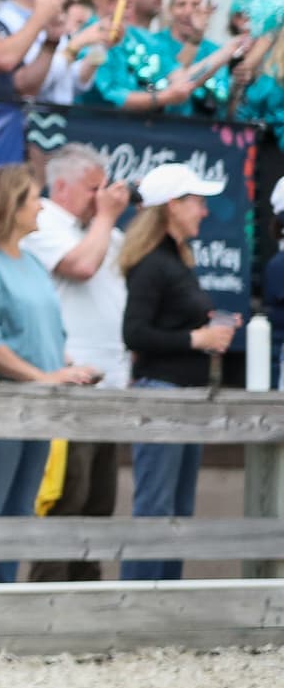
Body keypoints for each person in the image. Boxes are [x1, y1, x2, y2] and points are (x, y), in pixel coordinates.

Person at [0, 164, 103, 582]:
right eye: (34, 198)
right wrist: (44, 377)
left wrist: (69, 367)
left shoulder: (35, 264)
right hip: (1, 406)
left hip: (41, 407)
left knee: (20, 510)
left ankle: (2, 601)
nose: (41, 206)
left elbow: (49, 333)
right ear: (10, 206)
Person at [119, 163, 238, 580]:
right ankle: (140, 600)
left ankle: (166, 598)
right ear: (173, 205)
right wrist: (198, 338)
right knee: (156, 507)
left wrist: (209, 329)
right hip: (163, 393)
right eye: (197, 202)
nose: (204, 211)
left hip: (182, 393)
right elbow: (134, 332)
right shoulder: (154, 263)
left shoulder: (174, 259)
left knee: (177, 509)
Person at [20, 144, 133, 581]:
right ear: (61, 186)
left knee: (100, 502)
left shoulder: (105, 232)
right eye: (93, 188)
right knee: (66, 496)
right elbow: (80, 265)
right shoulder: (43, 221)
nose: (102, 197)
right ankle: (47, 595)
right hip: (67, 385)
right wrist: (106, 218)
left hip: (110, 387)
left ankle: (88, 597)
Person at [90, 0, 242, 115]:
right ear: (170, 8)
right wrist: (196, 39)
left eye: (196, 5)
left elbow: (225, 106)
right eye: (181, 4)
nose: (188, 12)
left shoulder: (214, 50)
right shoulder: (151, 42)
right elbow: (172, 80)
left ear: (209, 9)